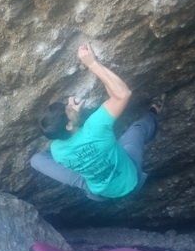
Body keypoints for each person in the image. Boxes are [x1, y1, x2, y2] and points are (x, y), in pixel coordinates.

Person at [30, 43, 157, 200]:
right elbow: (122, 95)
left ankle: (89, 184)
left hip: (99, 191)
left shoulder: (57, 151)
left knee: (36, 160)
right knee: (138, 129)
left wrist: (74, 115)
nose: (70, 103)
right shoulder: (95, 127)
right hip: (130, 181)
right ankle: (154, 112)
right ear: (68, 126)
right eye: (69, 109)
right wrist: (92, 63)